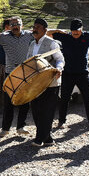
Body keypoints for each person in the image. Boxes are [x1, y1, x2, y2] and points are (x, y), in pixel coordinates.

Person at [0, 16, 34, 136]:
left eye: (18, 24)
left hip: (25, 72)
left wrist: (61, 31)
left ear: (22, 25)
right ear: (9, 26)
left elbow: (44, 32)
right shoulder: (4, 37)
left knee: (24, 101)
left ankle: (21, 127)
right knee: (9, 102)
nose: (15, 26)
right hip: (10, 73)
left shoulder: (29, 35)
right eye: (13, 24)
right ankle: (5, 129)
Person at [27, 19, 64, 147]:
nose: (34, 29)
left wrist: (59, 68)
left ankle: (39, 138)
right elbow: (28, 61)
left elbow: (60, 59)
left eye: (38, 27)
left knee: (47, 110)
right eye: (34, 27)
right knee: (36, 109)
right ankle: (47, 138)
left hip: (51, 83)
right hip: (36, 84)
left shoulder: (51, 43)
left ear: (45, 30)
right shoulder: (32, 44)